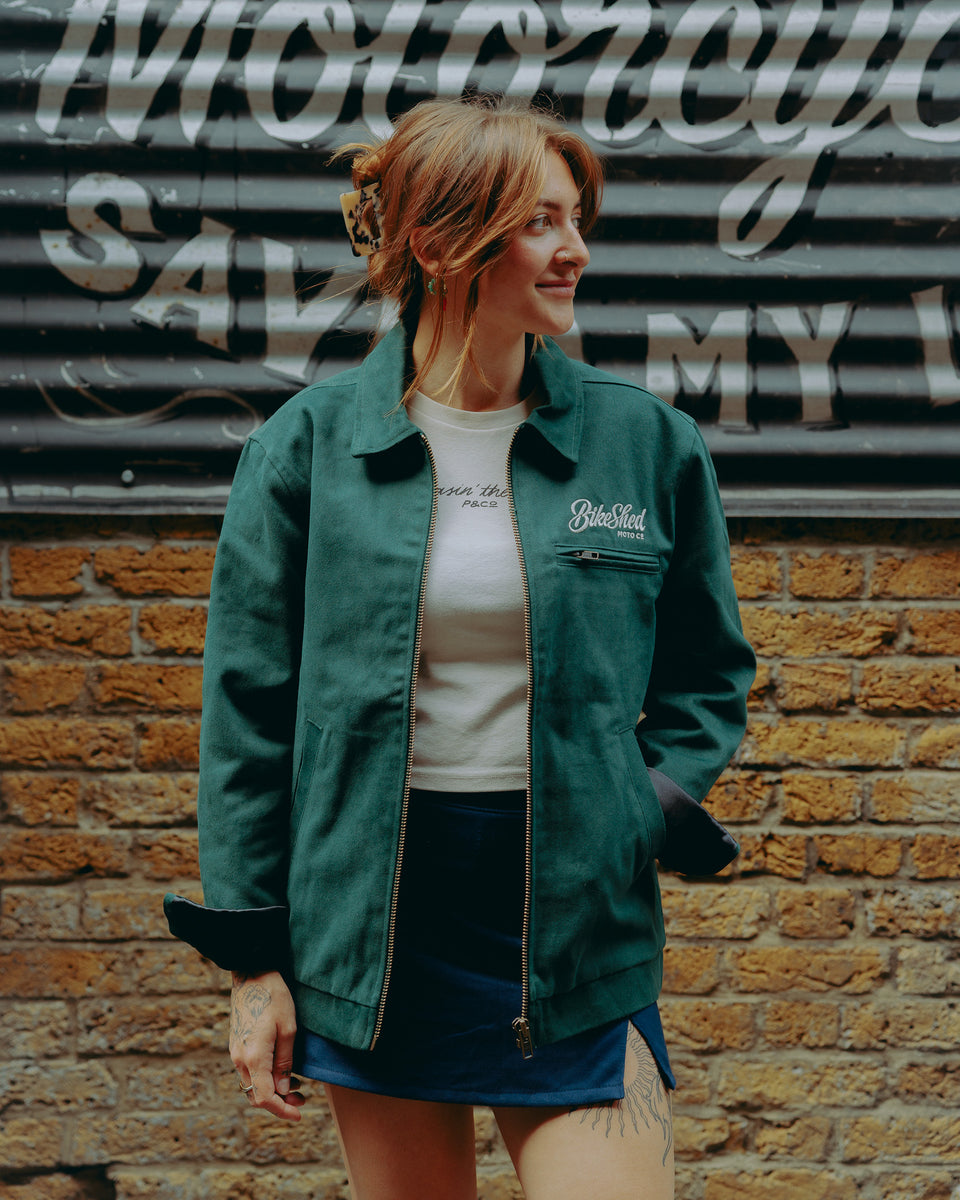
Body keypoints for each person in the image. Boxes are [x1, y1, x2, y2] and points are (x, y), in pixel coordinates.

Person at [165, 95, 755, 1200]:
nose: (575, 248)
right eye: (540, 222)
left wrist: (644, 804)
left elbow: (708, 672)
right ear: (441, 244)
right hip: (378, 922)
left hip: (575, 920)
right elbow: (246, 717)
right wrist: (254, 967)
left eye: (575, 218)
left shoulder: (642, 444)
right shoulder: (308, 451)